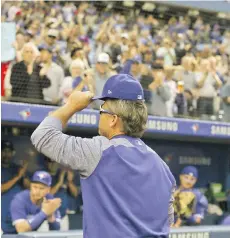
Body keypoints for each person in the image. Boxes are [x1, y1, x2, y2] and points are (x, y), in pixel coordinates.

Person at [31, 74, 176, 238]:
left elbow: (42, 136)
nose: (99, 115)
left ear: (113, 119)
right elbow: (168, 220)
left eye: (101, 110)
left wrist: (72, 105)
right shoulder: (162, 166)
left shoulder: (99, 151)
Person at [1, 140, 28, 233]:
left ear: (12, 153)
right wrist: (18, 177)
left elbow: (29, 187)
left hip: (18, 214)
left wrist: (23, 174)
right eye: (3, 151)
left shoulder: (17, 168)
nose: (6, 154)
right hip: (2, 215)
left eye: (8, 151)